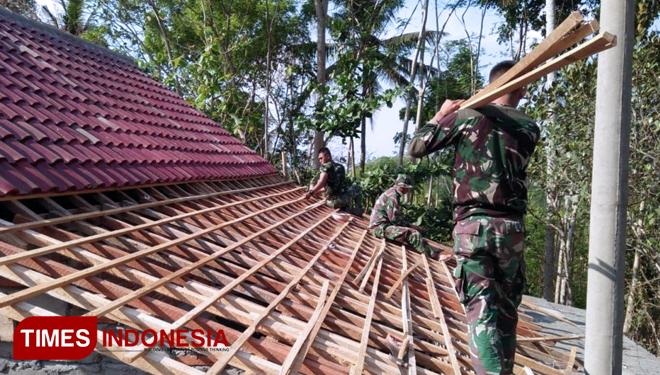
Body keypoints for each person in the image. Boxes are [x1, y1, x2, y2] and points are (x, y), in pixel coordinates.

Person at [408, 61, 541, 375]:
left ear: (493, 84)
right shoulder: (530, 128)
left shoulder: (466, 116)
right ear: (522, 88)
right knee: (507, 311)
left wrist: (440, 116)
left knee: (481, 312)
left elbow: (416, 147)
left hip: (473, 227)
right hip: (511, 230)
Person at [368, 174, 440, 260]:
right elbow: (394, 219)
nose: (408, 190)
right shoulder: (392, 196)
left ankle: (427, 248)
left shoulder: (392, 193)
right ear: (403, 187)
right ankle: (434, 256)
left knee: (410, 232)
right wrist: (411, 226)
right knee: (413, 234)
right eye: (408, 188)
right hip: (379, 229)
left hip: (383, 226)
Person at [305, 147, 363, 215]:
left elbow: (321, 182)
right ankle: (357, 208)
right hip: (344, 199)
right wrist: (317, 191)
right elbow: (334, 187)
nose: (320, 161)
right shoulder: (341, 167)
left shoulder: (326, 166)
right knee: (357, 187)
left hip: (332, 202)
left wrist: (310, 193)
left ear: (328, 156)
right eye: (319, 159)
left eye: (321, 158)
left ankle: (346, 208)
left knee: (332, 199)